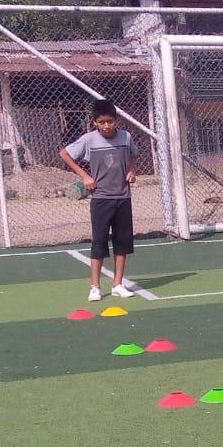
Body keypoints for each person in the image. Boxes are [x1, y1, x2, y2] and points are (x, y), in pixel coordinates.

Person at [59, 97, 137, 302]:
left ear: (116, 120)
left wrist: (131, 171)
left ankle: (118, 284)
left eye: (110, 121)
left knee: (122, 243)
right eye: (101, 122)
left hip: (123, 197)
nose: (106, 125)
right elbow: (65, 154)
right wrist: (84, 176)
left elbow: (133, 155)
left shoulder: (126, 137)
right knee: (99, 242)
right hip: (101, 199)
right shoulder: (89, 140)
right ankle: (95, 286)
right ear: (94, 122)